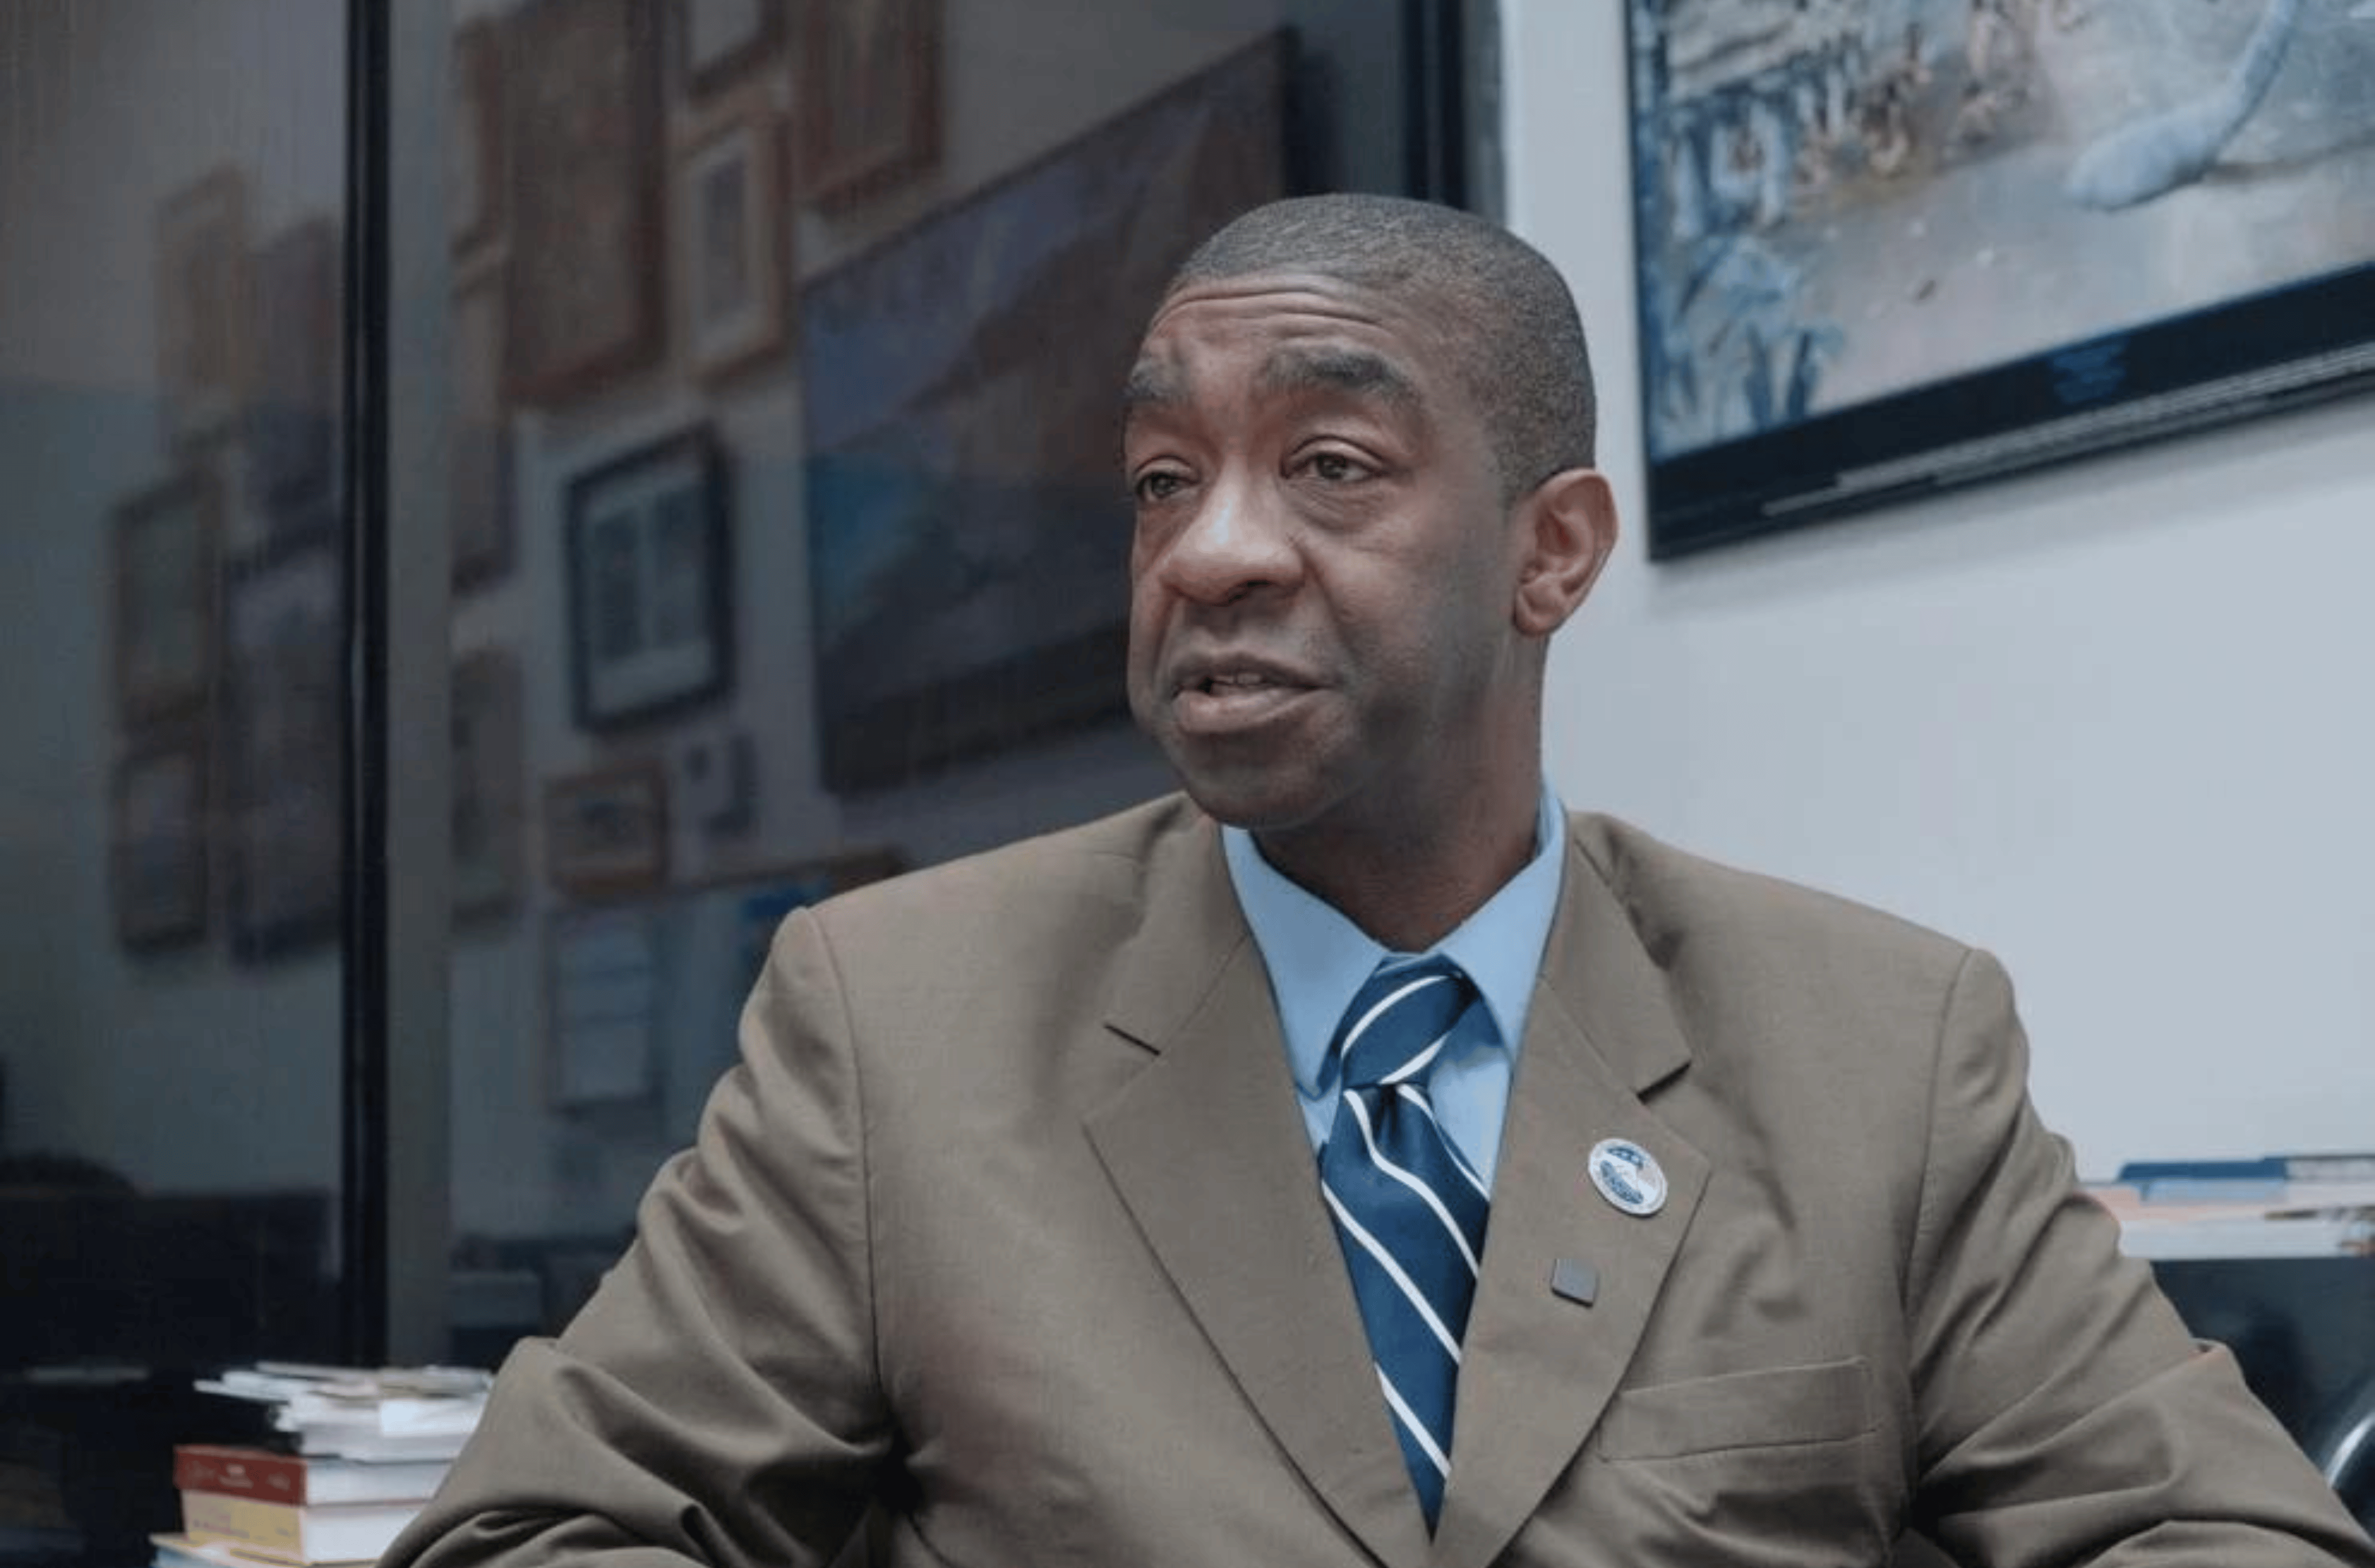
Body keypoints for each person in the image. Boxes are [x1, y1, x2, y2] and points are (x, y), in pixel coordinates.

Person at [383, 195, 2375, 1567]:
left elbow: (2219, 1527)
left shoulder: (1881, 1039)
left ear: (1556, 551)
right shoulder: (894, 1021)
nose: (1211, 552)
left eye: (1330, 464)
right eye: (1165, 480)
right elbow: (537, 1526)